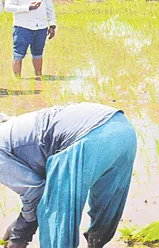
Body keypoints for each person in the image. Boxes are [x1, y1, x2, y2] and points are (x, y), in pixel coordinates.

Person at [0, 103, 137, 248]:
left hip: (87, 138)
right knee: (106, 206)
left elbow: (35, 192)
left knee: (56, 216)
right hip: (123, 129)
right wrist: (22, 222)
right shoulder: (12, 125)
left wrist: (20, 234)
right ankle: (96, 242)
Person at [4, 0, 56, 79]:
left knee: (38, 53)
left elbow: (49, 8)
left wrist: (52, 25)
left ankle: (38, 77)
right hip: (22, 27)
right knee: (18, 54)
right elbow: (8, 7)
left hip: (41, 27)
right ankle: (17, 80)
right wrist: (28, 7)